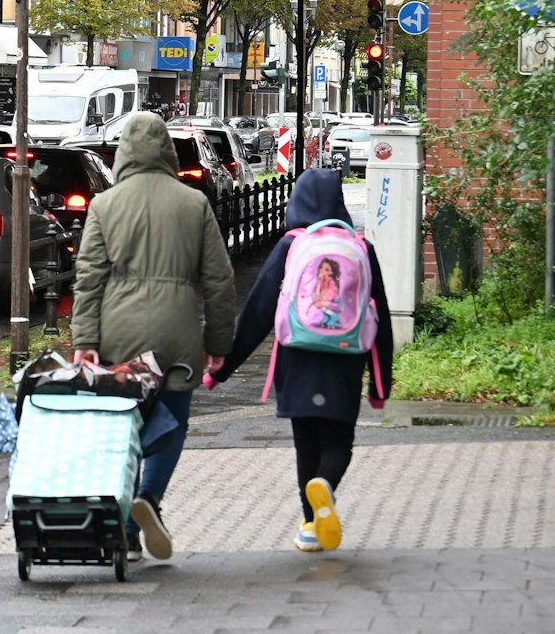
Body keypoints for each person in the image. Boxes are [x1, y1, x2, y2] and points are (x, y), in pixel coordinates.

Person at [70, 111, 237, 561]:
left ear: (123, 151)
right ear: (166, 151)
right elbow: (219, 282)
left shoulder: (105, 205)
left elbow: (88, 278)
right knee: (173, 421)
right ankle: (149, 498)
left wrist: (85, 339)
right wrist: (219, 345)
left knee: (122, 429)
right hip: (177, 331)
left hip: (117, 331)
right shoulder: (193, 203)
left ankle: (124, 531)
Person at [209, 168, 394, 553]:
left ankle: (310, 524)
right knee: (339, 440)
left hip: (297, 356)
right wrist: (380, 384)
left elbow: (258, 311)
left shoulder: (292, 244)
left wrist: (222, 370)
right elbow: (383, 317)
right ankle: (325, 485)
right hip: (346, 357)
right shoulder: (360, 246)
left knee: (305, 441)